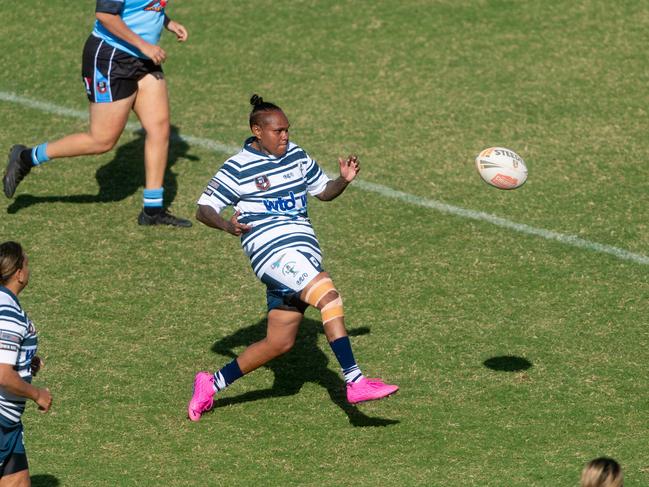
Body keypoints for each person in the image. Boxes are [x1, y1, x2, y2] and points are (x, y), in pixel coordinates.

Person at [187, 94, 399, 421]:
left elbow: (322, 192)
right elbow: (204, 209)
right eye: (277, 131)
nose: (285, 136)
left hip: (302, 255)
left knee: (278, 343)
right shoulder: (238, 166)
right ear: (257, 131)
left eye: (287, 129)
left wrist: (342, 180)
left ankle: (210, 384)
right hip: (272, 252)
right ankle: (355, 381)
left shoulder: (296, 155)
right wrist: (228, 226)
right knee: (329, 298)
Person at [3, 0, 191, 227]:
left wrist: (167, 22)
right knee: (102, 140)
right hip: (111, 58)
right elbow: (105, 15)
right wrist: (144, 45)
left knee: (159, 128)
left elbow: (144, 6)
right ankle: (27, 157)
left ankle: (152, 211)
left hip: (144, 59)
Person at [0, 242, 52, 486]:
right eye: (27, 263)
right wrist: (37, 394)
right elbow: (2, 375)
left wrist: (25, 361)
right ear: (19, 273)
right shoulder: (7, 311)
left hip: (8, 424)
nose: (29, 269)